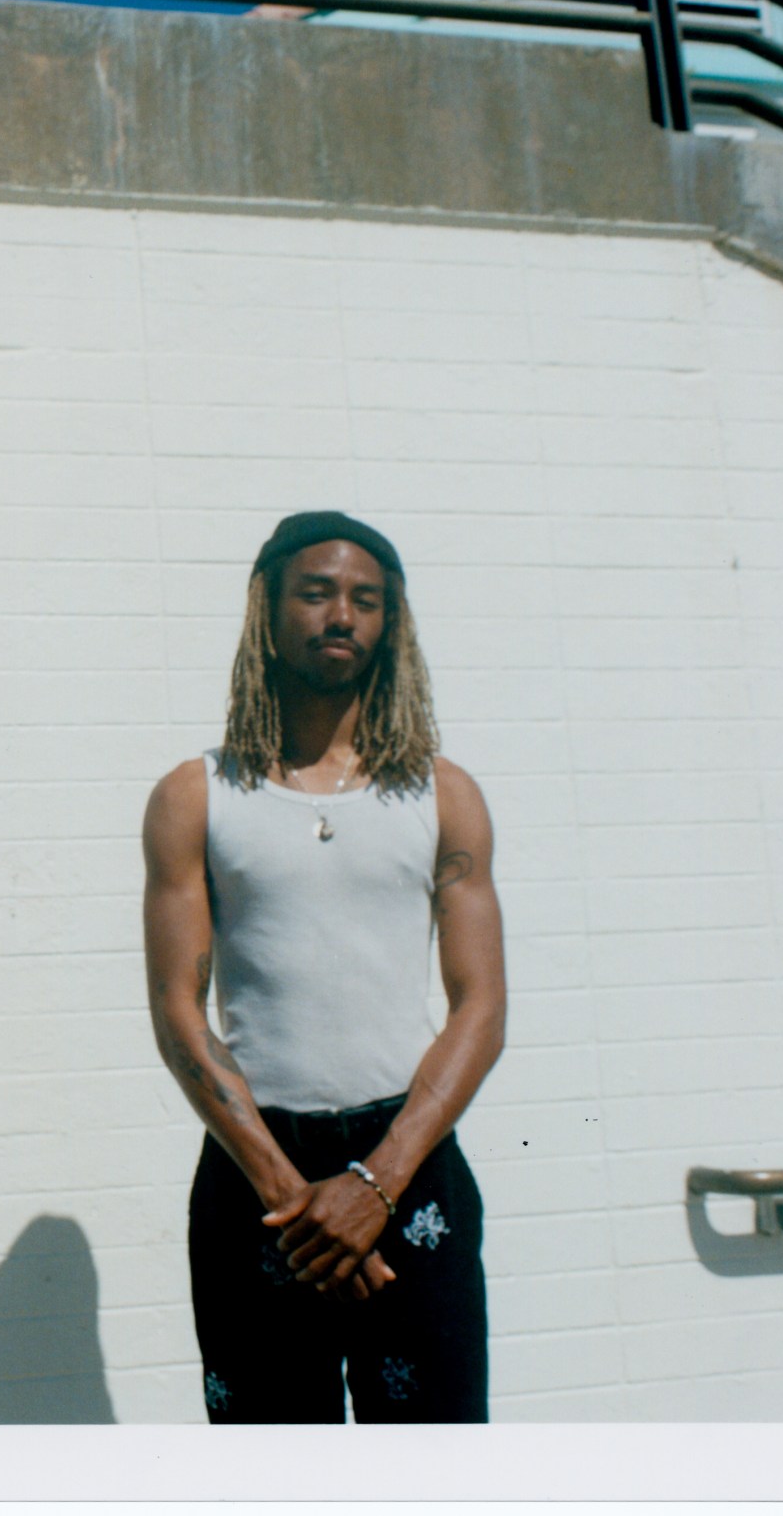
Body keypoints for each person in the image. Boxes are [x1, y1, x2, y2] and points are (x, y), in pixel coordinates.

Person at [142, 510, 506, 1424]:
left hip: (407, 1161)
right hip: (258, 1178)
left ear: (391, 624)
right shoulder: (198, 796)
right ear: (268, 609)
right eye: (316, 591)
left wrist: (375, 1183)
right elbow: (176, 1007)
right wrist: (295, 1199)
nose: (340, 613)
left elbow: (481, 1008)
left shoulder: (441, 794)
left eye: (365, 598)